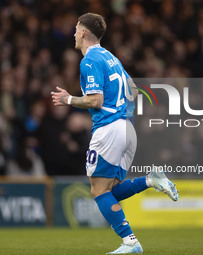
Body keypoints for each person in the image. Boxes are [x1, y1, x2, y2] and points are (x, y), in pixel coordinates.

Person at [52, 13, 179, 254]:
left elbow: (96, 100)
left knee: (98, 190)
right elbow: (133, 89)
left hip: (109, 129)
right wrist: (123, 114)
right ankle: (151, 180)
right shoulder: (112, 57)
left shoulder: (89, 61)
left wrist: (68, 99)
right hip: (127, 128)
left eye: (76, 29)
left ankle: (130, 241)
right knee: (110, 189)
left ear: (83, 33)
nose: (74, 33)